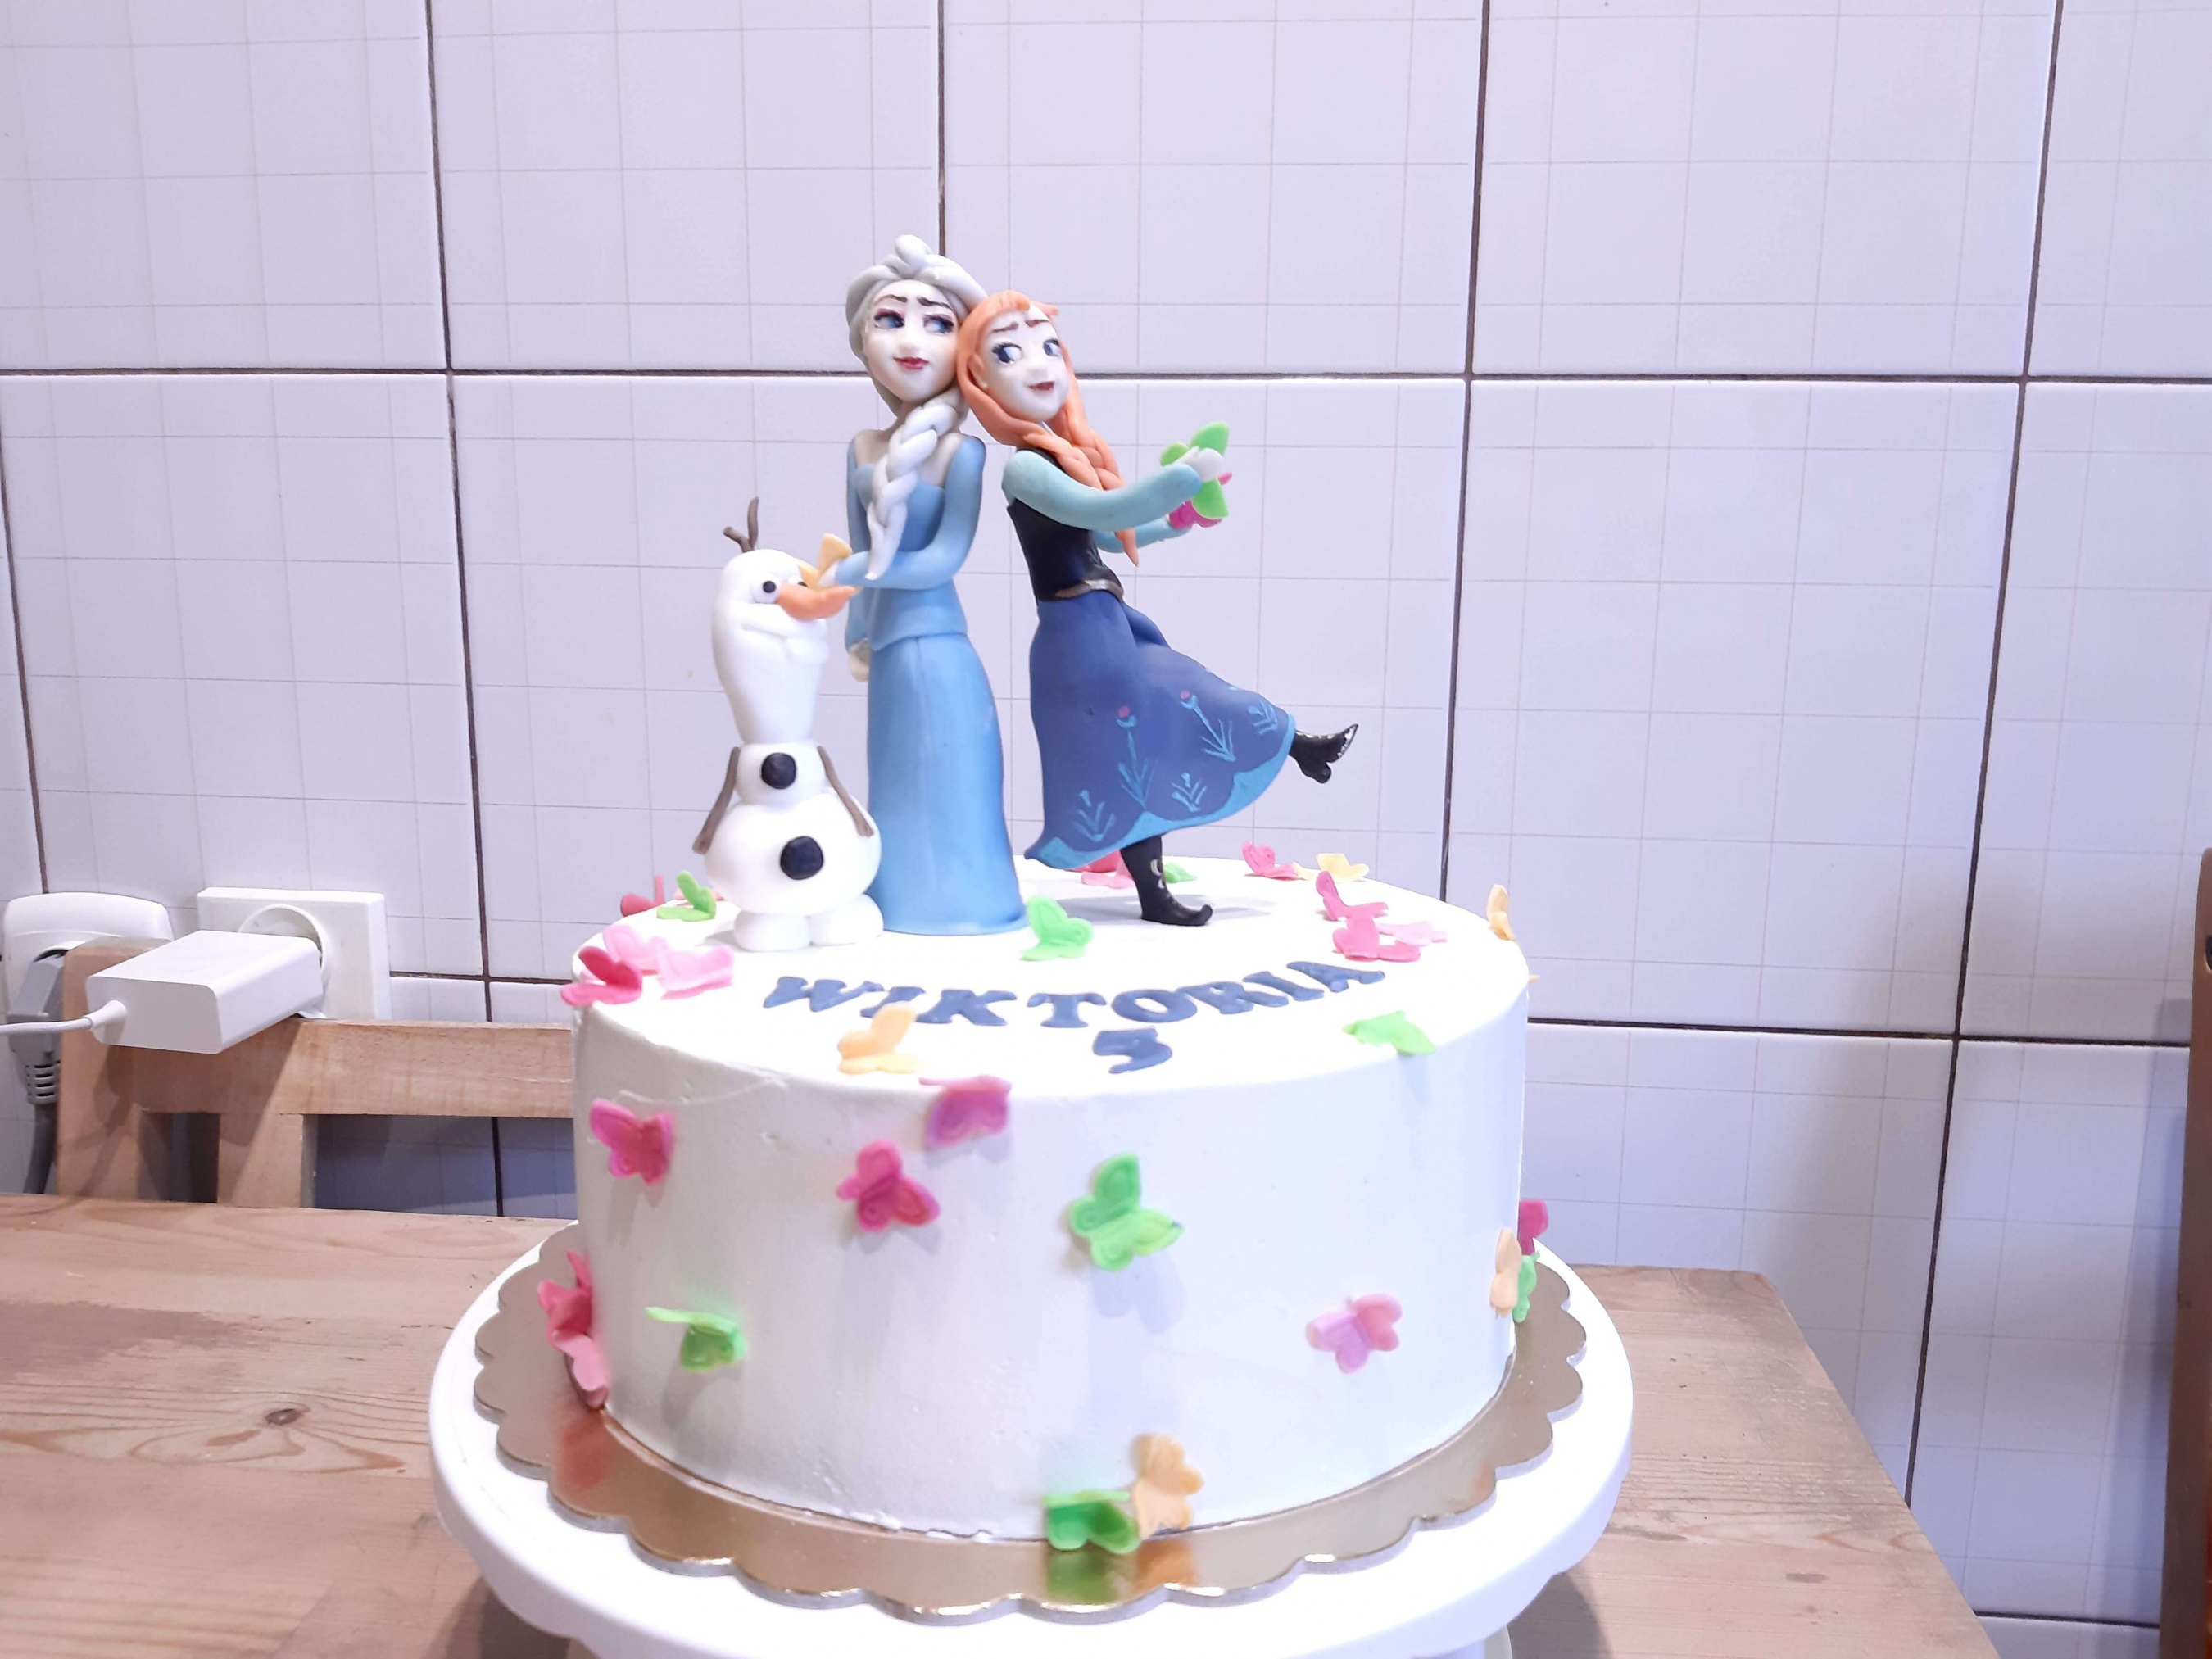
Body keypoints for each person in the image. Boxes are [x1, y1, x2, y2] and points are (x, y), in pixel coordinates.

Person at [954, 291, 1355, 927]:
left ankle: (1298, 744)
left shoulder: (1063, 455)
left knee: (1194, 693)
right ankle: (1156, 893)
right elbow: (1102, 510)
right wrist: (1176, 481)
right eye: (1009, 353)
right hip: (1078, 638)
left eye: (1048, 347)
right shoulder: (1025, 470)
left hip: (1108, 624)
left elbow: (1113, 535)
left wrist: (1178, 518)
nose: (1036, 364)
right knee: (1131, 754)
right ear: (980, 378)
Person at [830, 237, 1024, 935]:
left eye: (938, 323)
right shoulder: (862, 449)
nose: (912, 340)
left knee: (949, 775)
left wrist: (860, 572)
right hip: (886, 650)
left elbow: (944, 558)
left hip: (938, 645)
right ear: (864, 342)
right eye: (890, 320)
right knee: (894, 777)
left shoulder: (961, 453)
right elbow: (857, 538)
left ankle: (968, 907)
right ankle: (899, 902)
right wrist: (856, 629)